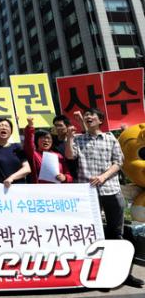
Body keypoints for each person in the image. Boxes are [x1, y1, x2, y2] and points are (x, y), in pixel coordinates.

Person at [65, 108, 143, 287]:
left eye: (91, 115)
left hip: (111, 190)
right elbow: (70, 155)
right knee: (90, 233)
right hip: (87, 193)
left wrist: (103, 177)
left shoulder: (110, 138)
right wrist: (69, 137)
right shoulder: (78, 139)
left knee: (117, 233)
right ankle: (93, 273)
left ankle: (124, 274)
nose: (88, 117)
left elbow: (118, 162)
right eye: (86, 116)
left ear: (100, 120)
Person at [23, 117, 72, 184]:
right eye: (42, 138)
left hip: (57, 189)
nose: (46, 140)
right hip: (39, 189)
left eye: (48, 138)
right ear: (36, 141)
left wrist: (65, 177)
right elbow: (28, 142)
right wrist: (30, 126)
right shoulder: (33, 154)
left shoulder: (58, 155)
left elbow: (69, 175)